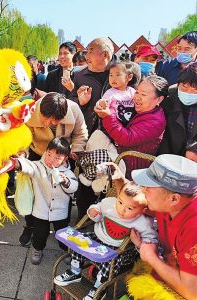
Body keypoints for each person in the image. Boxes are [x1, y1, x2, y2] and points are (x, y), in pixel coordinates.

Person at [54, 181, 157, 300]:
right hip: (99, 237)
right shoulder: (109, 204)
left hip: (119, 249)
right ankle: (75, 271)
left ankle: (99, 287)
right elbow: (97, 207)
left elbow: (151, 241)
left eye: (130, 208)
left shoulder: (143, 223)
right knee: (79, 241)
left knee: (110, 261)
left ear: (143, 210)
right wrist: (93, 213)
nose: (122, 210)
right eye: (120, 202)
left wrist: (138, 243)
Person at [128, 154, 197, 299]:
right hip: (169, 269)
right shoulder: (168, 204)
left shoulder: (193, 228)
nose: (143, 190)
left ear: (174, 198)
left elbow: (191, 293)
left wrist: (151, 257)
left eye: (149, 187)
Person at [14, 137, 78, 264]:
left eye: (57, 158)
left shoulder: (67, 172)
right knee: (39, 233)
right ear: (46, 151)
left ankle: (66, 250)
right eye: (49, 154)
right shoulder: (38, 166)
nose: (51, 160)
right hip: (41, 210)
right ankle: (38, 249)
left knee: (63, 233)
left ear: (65, 159)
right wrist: (15, 163)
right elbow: (28, 166)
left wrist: (65, 181)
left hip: (61, 212)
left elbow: (74, 187)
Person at [70, 37, 114, 220]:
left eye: (90, 50)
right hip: (87, 138)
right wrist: (80, 102)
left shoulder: (120, 72)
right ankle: (83, 218)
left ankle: (105, 222)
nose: (86, 55)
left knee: (109, 181)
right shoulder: (79, 75)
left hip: (112, 139)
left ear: (104, 54)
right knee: (86, 182)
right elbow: (68, 104)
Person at [95, 75, 168, 178]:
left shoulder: (155, 121)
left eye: (143, 94)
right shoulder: (143, 110)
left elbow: (126, 139)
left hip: (133, 172)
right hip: (123, 161)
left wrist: (107, 116)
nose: (137, 97)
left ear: (159, 99)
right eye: (137, 92)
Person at [158, 62, 197, 156]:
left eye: (195, 90)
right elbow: (164, 132)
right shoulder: (169, 96)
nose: (188, 93)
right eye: (184, 87)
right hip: (172, 153)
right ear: (178, 83)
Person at [98, 61, 141, 126]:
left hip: (130, 124)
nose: (113, 79)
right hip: (114, 125)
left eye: (118, 75)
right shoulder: (110, 93)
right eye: (111, 75)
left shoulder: (132, 91)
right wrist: (102, 105)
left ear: (129, 77)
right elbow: (102, 107)